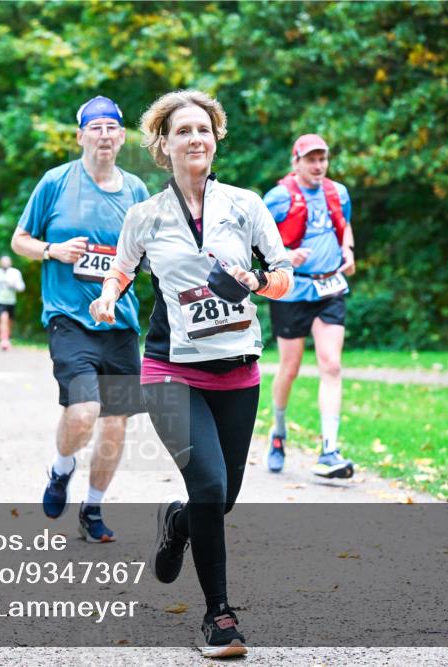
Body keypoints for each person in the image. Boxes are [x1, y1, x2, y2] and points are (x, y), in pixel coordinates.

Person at [90, 90, 292, 657]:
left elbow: (283, 278)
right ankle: (219, 617)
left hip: (238, 371)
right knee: (208, 485)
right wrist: (107, 299)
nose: (195, 138)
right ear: (163, 143)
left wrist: (254, 282)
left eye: (203, 129)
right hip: (170, 370)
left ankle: (178, 524)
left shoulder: (247, 205)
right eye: (183, 131)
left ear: (216, 137)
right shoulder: (145, 215)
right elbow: (121, 271)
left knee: (218, 499)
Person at [11, 95, 150, 543]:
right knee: (85, 410)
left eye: (112, 127)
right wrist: (53, 250)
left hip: (121, 323)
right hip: (69, 318)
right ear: (80, 136)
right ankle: (61, 467)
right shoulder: (55, 182)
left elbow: (148, 254)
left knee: (115, 423)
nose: (105, 135)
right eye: (96, 128)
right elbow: (20, 240)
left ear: (122, 137)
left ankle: (92, 507)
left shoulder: (136, 191)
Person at [261, 134, 356, 479]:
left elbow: (344, 228)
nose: (318, 166)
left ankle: (330, 449)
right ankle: (278, 431)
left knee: (331, 365)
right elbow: (255, 241)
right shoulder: (279, 197)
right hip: (292, 289)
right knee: (290, 368)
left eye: (323, 159)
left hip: (330, 286)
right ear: (296, 161)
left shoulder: (338, 192)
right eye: (311, 159)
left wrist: (349, 252)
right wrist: (283, 256)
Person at [0, 255, 26, 350]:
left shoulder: (15, 273)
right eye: (3, 261)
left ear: (10, 263)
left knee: (9, 321)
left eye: (7, 261)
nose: (5, 263)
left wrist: (13, 285)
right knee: (3, 318)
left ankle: (7, 338)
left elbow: (22, 287)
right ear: (0, 263)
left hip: (11, 301)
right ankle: (3, 340)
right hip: (0, 300)